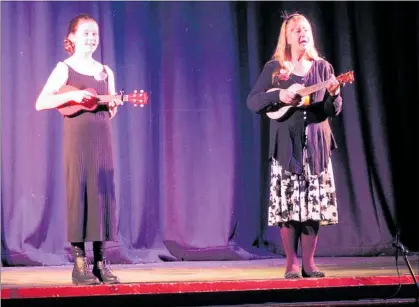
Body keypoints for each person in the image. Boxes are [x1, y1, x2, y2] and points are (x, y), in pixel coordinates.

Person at [247, 13, 342, 279]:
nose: (303, 34)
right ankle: (291, 263)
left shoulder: (323, 68)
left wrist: (335, 94)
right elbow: (253, 101)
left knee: (313, 207)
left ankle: (309, 263)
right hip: (286, 147)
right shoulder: (275, 69)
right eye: (296, 30)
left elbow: (330, 110)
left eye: (306, 29)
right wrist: (279, 94)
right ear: (286, 37)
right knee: (288, 207)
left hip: (316, 147)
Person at [35, 14, 121, 285]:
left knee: (102, 196)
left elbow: (110, 110)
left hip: (101, 138)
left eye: (94, 33)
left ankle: (100, 262)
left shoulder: (106, 71)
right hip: (77, 140)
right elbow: (41, 102)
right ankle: (79, 264)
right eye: (85, 33)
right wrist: (72, 95)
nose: (91, 38)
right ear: (71, 37)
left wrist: (114, 104)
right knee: (80, 194)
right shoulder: (64, 68)